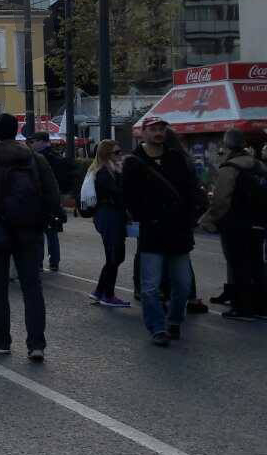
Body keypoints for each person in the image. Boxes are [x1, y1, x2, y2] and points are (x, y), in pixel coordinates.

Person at [0, 113, 59, 361]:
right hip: (30, 229)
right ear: (16, 132)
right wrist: (42, 220)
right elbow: (52, 193)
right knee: (32, 287)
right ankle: (36, 344)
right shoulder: (35, 158)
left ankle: (1, 340)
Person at [122, 117, 203, 347]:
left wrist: (190, 218)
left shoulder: (176, 158)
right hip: (153, 232)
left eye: (161, 129)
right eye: (153, 129)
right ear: (143, 133)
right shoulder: (134, 162)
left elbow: (190, 190)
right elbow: (128, 196)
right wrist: (145, 216)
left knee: (183, 285)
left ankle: (175, 320)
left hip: (178, 232)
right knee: (150, 287)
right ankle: (157, 328)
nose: (158, 132)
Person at [199, 129, 267, 321]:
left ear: (227, 145)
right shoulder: (259, 166)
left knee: (238, 265)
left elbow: (221, 200)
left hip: (236, 223)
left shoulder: (229, 168)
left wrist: (209, 220)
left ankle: (242, 308)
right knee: (257, 265)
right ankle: (261, 308)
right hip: (259, 223)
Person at [86, 140, 130, 307]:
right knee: (116, 256)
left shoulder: (107, 170)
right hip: (109, 216)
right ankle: (108, 295)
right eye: (116, 153)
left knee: (113, 256)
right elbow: (119, 194)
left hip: (108, 216)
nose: (120, 155)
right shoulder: (104, 172)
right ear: (106, 154)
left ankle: (99, 291)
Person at [30, 132, 73, 272]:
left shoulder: (42, 158)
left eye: (34, 141)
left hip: (43, 199)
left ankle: (39, 263)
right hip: (53, 198)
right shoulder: (56, 156)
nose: (32, 144)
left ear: (42, 141)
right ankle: (54, 261)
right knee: (51, 231)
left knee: (40, 232)